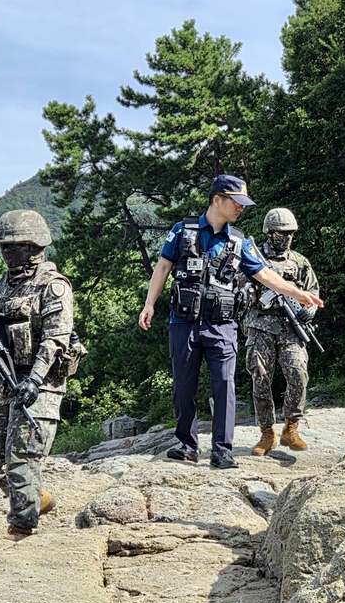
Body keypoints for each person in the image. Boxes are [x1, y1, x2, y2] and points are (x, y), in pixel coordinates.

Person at [138, 176, 323, 469]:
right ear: (217, 200)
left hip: (222, 325)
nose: (241, 208)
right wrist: (149, 304)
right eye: (237, 202)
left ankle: (222, 451)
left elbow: (264, 274)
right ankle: (187, 445)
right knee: (184, 387)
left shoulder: (239, 241)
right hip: (183, 323)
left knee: (225, 386)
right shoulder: (182, 231)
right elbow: (162, 267)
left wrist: (297, 293)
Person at [0, 210, 75, 539]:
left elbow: (55, 341)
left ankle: (22, 524)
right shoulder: (0, 286)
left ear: (34, 246)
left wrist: (34, 381)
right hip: (4, 374)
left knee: (22, 452)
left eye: (13, 247)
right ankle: (35, 496)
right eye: (3, 247)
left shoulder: (53, 286)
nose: (5, 253)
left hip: (42, 378)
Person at [244, 208, 320, 456]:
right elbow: (239, 288)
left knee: (298, 373)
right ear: (270, 232)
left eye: (290, 233)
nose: (286, 238)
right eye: (281, 233)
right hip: (260, 326)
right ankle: (267, 432)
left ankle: (291, 427)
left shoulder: (300, 262)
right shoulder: (253, 258)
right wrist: (251, 292)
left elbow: (313, 292)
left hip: (290, 328)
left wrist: (309, 310)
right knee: (260, 376)